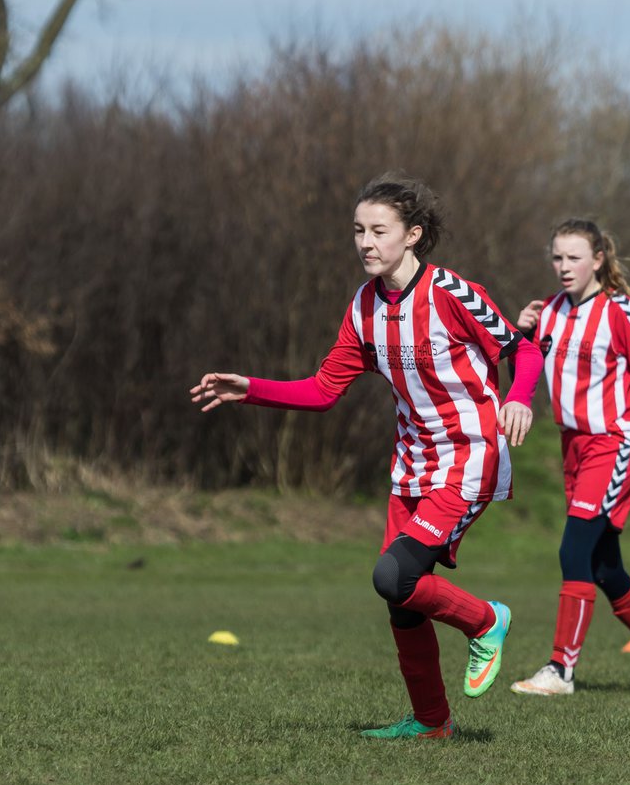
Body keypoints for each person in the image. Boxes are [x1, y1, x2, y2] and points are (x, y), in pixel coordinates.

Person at [190, 173, 543, 739]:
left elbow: (522, 348)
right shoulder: (362, 307)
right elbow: (324, 390)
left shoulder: (452, 292)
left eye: (379, 230)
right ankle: (431, 723)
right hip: (412, 462)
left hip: (471, 453)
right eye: (358, 230)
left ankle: (486, 620)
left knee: (393, 575)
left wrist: (520, 398)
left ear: (413, 235)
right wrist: (249, 388)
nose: (365, 242)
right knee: (402, 600)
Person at [509, 218, 630, 698]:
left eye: (573, 257)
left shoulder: (621, 311)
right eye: (557, 257)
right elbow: (525, 377)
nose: (563, 267)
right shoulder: (547, 311)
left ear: (597, 259)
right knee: (603, 569)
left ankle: (561, 670)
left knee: (572, 550)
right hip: (572, 447)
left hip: (616, 443)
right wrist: (519, 335)